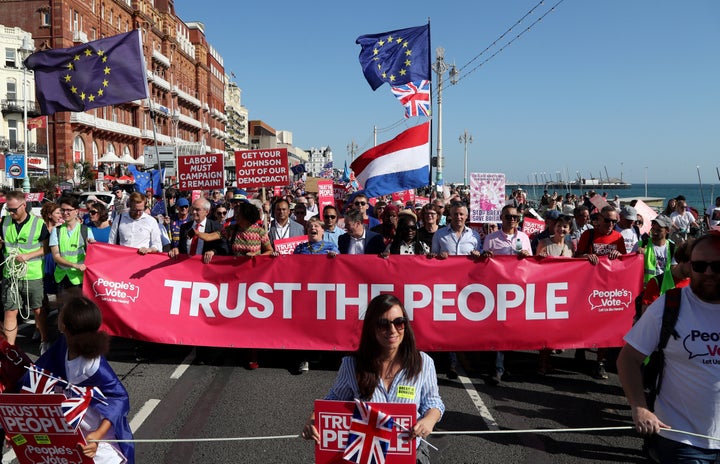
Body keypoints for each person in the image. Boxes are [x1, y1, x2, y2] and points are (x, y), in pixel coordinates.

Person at [301, 294, 444, 464]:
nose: (392, 330)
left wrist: (429, 420)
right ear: (371, 329)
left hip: (409, 452)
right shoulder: (352, 364)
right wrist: (313, 421)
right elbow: (333, 401)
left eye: (399, 322)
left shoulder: (423, 363)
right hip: (367, 454)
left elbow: (434, 402)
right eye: (383, 324)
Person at [617, 232, 720, 463]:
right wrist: (639, 407)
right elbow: (628, 359)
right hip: (680, 440)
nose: (709, 273)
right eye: (700, 265)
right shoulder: (671, 304)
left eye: (717, 265)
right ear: (690, 266)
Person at [29, 295, 134, 463]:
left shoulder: (94, 367)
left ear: (63, 325)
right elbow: (35, 376)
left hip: (99, 447)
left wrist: (98, 436)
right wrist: (16, 427)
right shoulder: (62, 346)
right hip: (70, 440)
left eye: (61, 311)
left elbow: (120, 399)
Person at [481, 205, 533, 384]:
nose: (512, 220)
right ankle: (498, 368)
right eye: (508, 217)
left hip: (518, 289)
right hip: (498, 289)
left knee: (513, 329)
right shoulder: (491, 238)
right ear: (501, 218)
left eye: (515, 217)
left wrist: (527, 255)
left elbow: (532, 264)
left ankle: (505, 366)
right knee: (499, 329)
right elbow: (485, 263)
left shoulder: (524, 238)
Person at [1, 191, 51, 353]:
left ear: (24, 206)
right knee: (10, 311)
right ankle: (10, 349)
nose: (11, 212)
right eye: (9, 209)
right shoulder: (5, 222)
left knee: (37, 309)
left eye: (14, 209)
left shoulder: (38, 224)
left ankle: (44, 339)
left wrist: (29, 255)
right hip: (11, 274)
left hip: (32, 274)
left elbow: (47, 247)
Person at [535, 214, 573, 375]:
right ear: (553, 226)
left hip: (564, 291)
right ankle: (543, 363)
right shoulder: (544, 243)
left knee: (558, 328)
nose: (561, 229)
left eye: (565, 226)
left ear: (569, 229)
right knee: (545, 329)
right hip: (546, 291)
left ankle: (550, 361)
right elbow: (534, 265)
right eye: (559, 225)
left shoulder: (571, 246)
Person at [50, 196, 94, 301]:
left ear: (76, 211)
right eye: (63, 210)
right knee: (63, 311)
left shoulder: (86, 230)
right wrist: (74, 265)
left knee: (79, 312)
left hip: (79, 279)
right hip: (61, 278)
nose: (65, 213)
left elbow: (92, 254)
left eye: (69, 210)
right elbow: (56, 256)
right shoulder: (56, 231)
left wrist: (92, 245)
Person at [198, 200, 271, 259]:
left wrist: (257, 256)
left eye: (239, 214)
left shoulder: (260, 231)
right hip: (235, 270)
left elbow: (270, 251)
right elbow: (209, 237)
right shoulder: (231, 229)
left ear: (246, 215)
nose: (235, 216)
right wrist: (196, 233)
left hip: (254, 270)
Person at [168, 198, 227, 262]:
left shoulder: (216, 227)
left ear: (207, 212)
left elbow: (224, 248)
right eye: (193, 209)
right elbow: (182, 247)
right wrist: (176, 249)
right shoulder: (184, 227)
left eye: (197, 209)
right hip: (186, 265)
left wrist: (213, 252)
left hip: (204, 267)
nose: (194, 212)